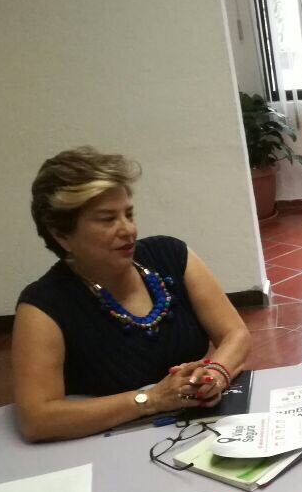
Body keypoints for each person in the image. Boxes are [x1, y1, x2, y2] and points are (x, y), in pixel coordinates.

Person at [13, 147, 251, 441]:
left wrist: (215, 374)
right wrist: (150, 400)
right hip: (104, 447)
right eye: (107, 219)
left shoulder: (171, 256)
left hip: (195, 434)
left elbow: (235, 334)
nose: (128, 229)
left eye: (128, 214)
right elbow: (37, 419)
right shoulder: (43, 307)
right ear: (61, 235)